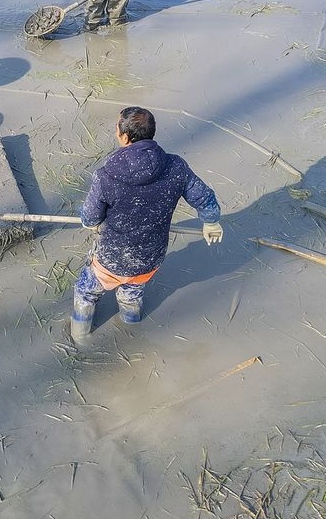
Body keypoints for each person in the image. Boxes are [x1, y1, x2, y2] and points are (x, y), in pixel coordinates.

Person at [70, 107, 223, 345]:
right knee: (132, 293)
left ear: (123, 136)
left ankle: (79, 339)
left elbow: (89, 217)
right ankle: (132, 331)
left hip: (112, 257)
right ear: (151, 133)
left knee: (86, 292)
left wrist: (91, 224)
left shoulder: (106, 174)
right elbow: (203, 197)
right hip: (149, 257)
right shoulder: (176, 167)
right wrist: (211, 222)